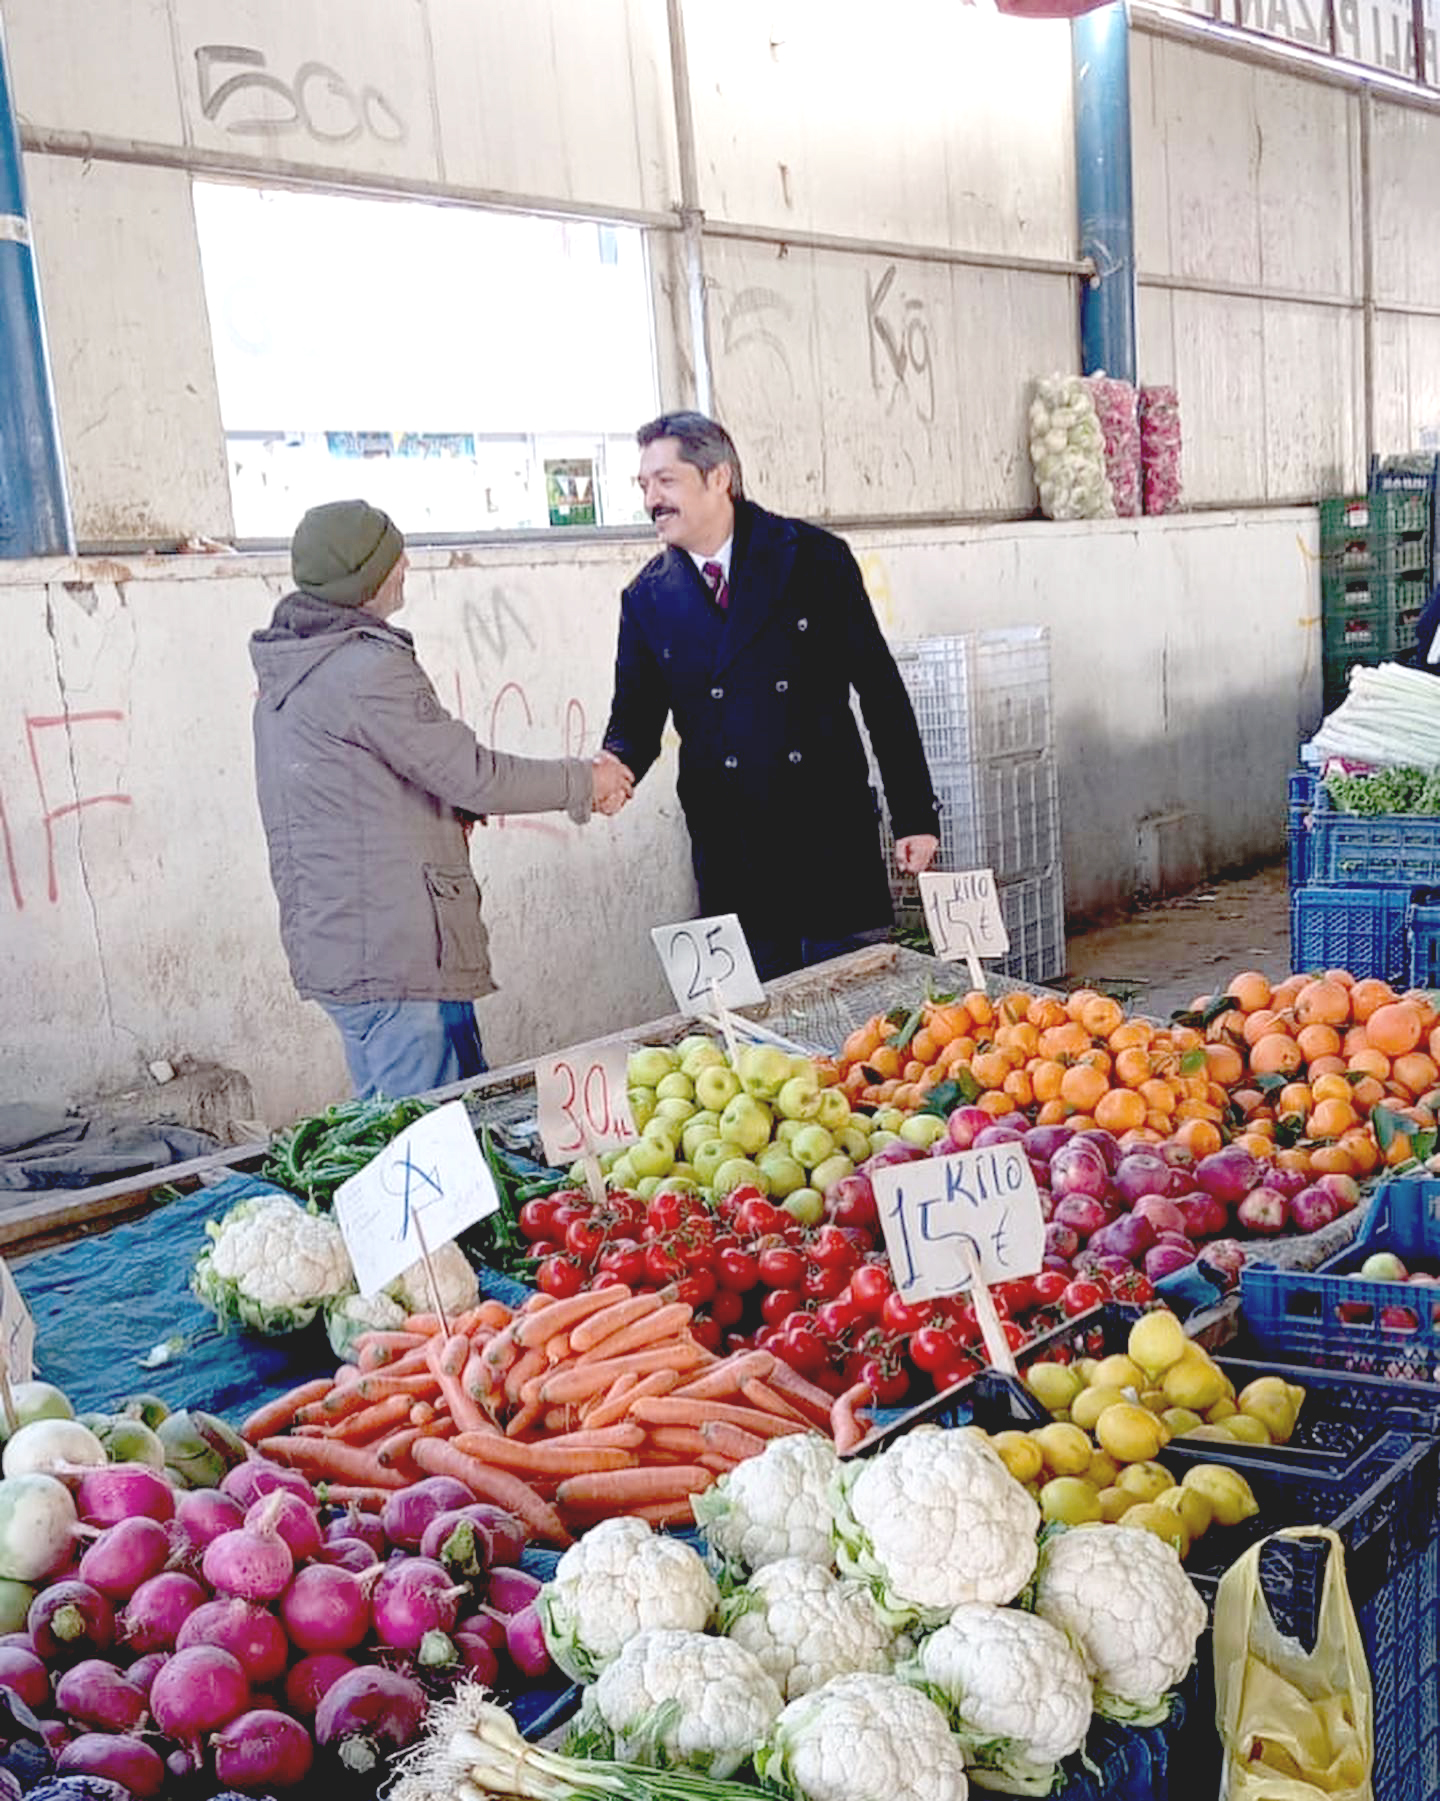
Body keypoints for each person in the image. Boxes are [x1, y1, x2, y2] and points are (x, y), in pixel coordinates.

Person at [251, 499, 631, 1101]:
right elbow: (472, 775)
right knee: (429, 1135)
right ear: (363, 576)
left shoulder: (294, 669)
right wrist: (587, 781)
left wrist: (450, 812)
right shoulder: (363, 670)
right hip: (392, 955)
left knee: (404, 1118)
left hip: (350, 946)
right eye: (392, 556)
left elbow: (366, 792)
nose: (405, 565)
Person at [601, 412, 940, 981]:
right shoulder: (646, 598)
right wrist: (610, 771)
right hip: (733, 852)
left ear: (718, 477)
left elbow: (881, 690)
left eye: (665, 481)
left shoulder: (814, 558)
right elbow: (634, 719)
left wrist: (915, 815)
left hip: (829, 835)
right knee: (759, 1022)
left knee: (859, 1011)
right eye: (643, 485)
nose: (651, 499)